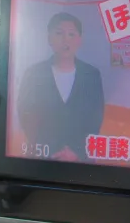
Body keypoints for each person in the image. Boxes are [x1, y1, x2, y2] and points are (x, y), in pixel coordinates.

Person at [17, 12, 105, 162]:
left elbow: (95, 118)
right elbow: (25, 114)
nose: (65, 40)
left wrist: (76, 151)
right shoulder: (33, 73)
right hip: (42, 156)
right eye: (59, 33)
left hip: (81, 158)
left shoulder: (92, 74)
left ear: (79, 40)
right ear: (49, 38)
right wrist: (50, 150)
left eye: (71, 34)